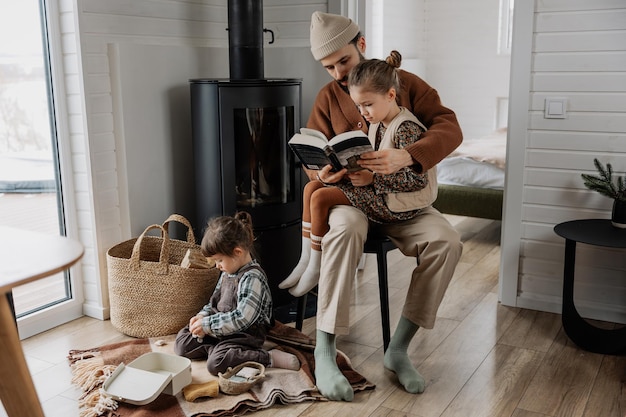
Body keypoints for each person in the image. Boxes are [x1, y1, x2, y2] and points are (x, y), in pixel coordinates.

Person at [301, 11, 464, 402]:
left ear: (361, 44)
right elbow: (314, 167)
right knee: (343, 227)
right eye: (329, 67)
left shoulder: (403, 84)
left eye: (343, 60)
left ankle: (398, 349)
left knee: (447, 241)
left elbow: (450, 127)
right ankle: (325, 349)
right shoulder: (326, 98)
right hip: (356, 203)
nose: (338, 72)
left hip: (404, 201)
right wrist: (326, 173)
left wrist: (407, 156)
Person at [280, 50, 433, 299]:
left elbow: (418, 179)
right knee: (311, 188)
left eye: (368, 105)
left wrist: (373, 179)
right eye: (358, 106)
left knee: (320, 198)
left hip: (394, 205)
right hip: (377, 193)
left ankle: (315, 266)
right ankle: (306, 258)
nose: (363, 113)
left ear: (391, 95)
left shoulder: (406, 128)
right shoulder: (378, 121)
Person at [174, 211, 300, 375]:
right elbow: (214, 302)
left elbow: (242, 318)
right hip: (221, 329)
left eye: (219, 260)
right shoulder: (228, 271)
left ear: (237, 252)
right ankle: (225, 352)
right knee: (182, 343)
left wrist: (208, 326)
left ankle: (266, 357)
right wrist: (203, 316)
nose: (217, 266)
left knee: (215, 365)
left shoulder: (253, 277)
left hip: (244, 335)